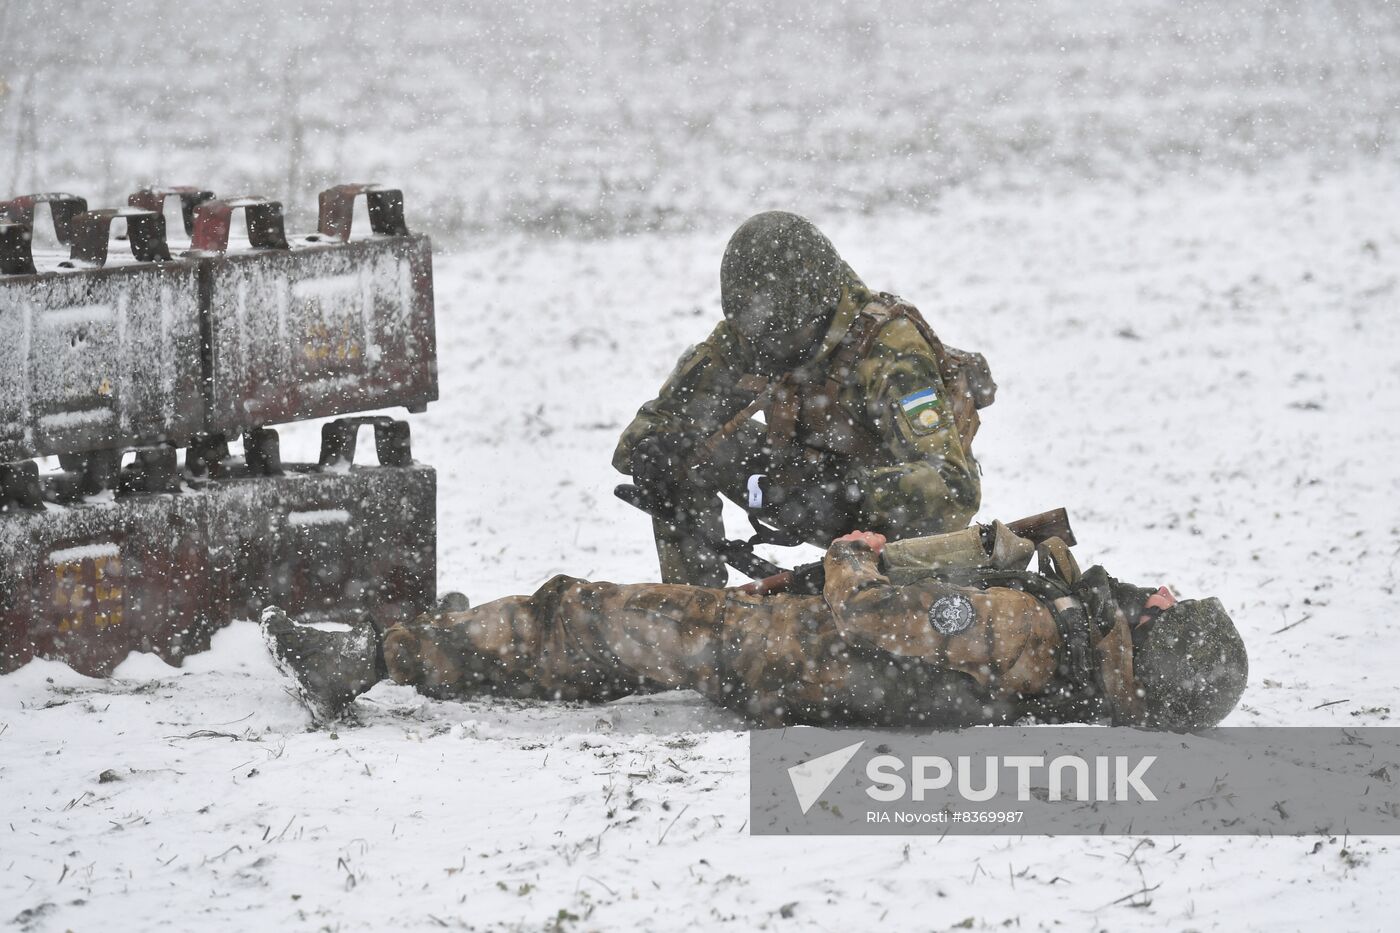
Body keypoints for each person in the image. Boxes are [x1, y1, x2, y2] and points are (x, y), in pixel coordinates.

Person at [261, 525, 1248, 732]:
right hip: (786, 667)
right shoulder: (1067, 658)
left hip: (768, 649)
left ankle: (372, 655)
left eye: (1168, 611)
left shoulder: (1011, 624)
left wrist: (852, 554)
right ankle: (430, 651)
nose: (1156, 594)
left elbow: (868, 614)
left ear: (1151, 640)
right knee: (584, 658)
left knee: (580, 619)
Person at [613, 211, 996, 586]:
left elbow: (955, 488)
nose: (766, 350)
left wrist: (852, 491)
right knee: (676, 448)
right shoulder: (747, 336)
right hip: (792, 487)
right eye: (757, 335)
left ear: (822, 312)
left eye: (783, 337)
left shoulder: (889, 348)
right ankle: (694, 614)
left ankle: (881, 602)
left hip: (882, 521)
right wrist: (652, 451)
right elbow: (649, 429)